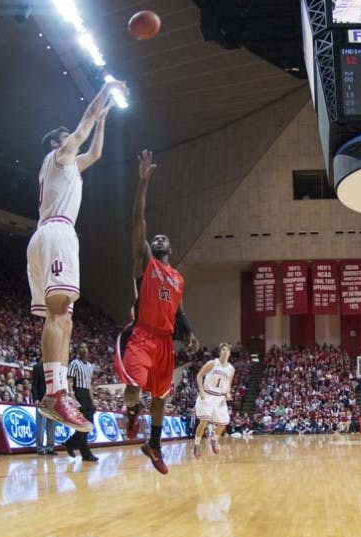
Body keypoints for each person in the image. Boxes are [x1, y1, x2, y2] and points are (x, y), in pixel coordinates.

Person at [29, 78, 127, 432]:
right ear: (57, 143)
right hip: (58, 232)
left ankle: (57, 392)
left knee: (62, 316)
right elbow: (82, 128)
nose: (71, 137)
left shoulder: (68, 168)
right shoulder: (58, 156)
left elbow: (96, 153)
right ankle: (56, 393)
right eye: (65, 135)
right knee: (60, 314)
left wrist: (102, 122)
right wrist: (103, 92)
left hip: (46, 235)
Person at [115, 150, 199, 475]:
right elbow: (139, 221)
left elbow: (179, 310)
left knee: (162, 397)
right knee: (135, 385)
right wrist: (142, 184)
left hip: (165, 341)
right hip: (143, 334)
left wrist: (189, 332)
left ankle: (154, 443)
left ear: (171, 250)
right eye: (156, 240)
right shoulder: (144, 262)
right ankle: (133, 411)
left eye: (165, 242)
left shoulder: (177, 278)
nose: (160, 242)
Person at [192, 343, 235, 459]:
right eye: (223, 350)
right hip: (207, 395)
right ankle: (196, 444)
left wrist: (228, 393)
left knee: (224, 422)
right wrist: (201, 391)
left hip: (220, 397)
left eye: (227, 350)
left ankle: (214, 440)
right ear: (220, 352)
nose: (225, 352)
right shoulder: (212, 363)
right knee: (204, 421)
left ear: (230, 353)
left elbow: (228, 384)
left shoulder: (231, 369)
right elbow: (199, 376)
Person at [64, 343, 98, 462]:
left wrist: (93, 401)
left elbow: (89, 385)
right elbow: (69, 380)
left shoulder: (90, 366)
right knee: (83, 424)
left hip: (87, 395)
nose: (84, 349)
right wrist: (72, 395)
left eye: (85, 347)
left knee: (89, 425)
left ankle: (70, 443)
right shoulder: (74, 363)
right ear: (78, 350)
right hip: (78, 393)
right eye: (81, 347)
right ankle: (85, 453)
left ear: (88, 350)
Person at [32, 362, 57, 456]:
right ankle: (40, 448)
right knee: (40, 425)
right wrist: (36, 399)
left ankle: (50, 447)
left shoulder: (55, 368)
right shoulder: (37, 367)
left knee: (52, 425)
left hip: (53, 400)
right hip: (41, 399)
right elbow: (34, 385)